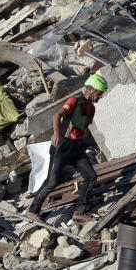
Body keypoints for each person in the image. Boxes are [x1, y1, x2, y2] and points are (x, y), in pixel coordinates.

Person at [26, 75, 107, 224]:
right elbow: (57, 115)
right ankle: (33, 210)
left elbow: (86, 124)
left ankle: (80, 212)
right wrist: (57, 133)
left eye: (101, 94)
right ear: (90, 89)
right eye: (99, 93)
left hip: (76, 147)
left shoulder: (92, 108)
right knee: (52, 181)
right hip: (63, 145)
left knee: (91, 176)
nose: (100, 96)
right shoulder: (74, 101)